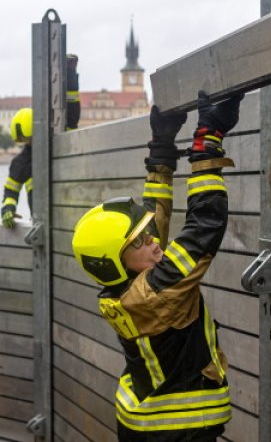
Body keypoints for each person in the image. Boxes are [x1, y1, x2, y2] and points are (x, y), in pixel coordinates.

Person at [71, 91, 241, 441]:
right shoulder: (155, 292)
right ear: (114, 261)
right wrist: (207, 145)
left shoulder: (130, 284)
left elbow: (153, 225)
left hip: (145, 420)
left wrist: (161, 150)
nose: (152, 242)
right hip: (177, 429)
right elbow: (203, 229)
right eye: (138, 242)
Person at [1, 108, 32, 228]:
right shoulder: (20, 162)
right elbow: (11, 191)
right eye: (24, 139)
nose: (27, 142)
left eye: (28, 138)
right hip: (40, 220)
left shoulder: (58, 150)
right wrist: (8, 209)